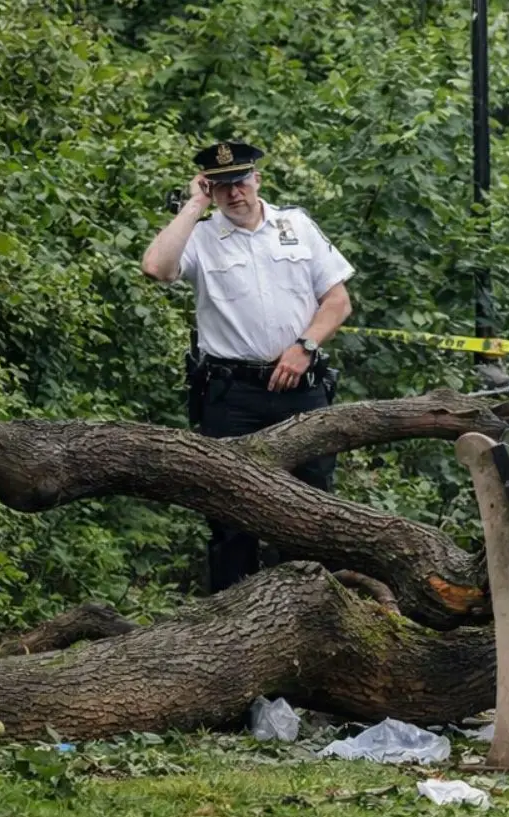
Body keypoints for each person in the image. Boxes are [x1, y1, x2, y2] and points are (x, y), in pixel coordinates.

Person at [140, 140, 355, 593]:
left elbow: (338, 301)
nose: (233, 194)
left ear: (257, 178)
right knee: (230, 519)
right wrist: (194, 206)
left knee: (312, 514)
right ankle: (233, 632)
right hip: (231, 395)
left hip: (301, 388)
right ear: (208, 189)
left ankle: (314, 619)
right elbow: (156, 268)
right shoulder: (200, 237)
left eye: (239, 181)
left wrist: (305, 346)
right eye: (220, 187)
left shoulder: (294, 225)